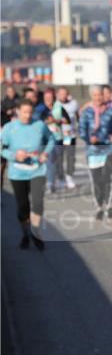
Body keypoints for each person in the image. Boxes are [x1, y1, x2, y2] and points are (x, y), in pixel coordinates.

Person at [2, 99, 55, 249]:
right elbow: (2, 148)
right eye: (24, 112)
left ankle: (35, 232)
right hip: (17, 173)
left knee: (38, 203)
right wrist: (13, 156)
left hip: (37, 170)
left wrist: (45, 153)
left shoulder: (39, 125)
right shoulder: (9, 128)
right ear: (17, 111)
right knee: (23, 207)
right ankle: (25, 234)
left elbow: (51, 140)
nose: (27, 115)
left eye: (30, 112)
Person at [78, 84, 112, 220]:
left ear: (104, 95)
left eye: (100, 95)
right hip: (93, 151)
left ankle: (109, 207)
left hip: (109, 149)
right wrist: (88, 138)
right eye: (95, 95)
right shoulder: (87, 112)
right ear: (91, 96)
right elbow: (81, 130)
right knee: (97, 181)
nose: (98, 98)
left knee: (108, 179)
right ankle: (99, 207)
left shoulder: (111, 110)